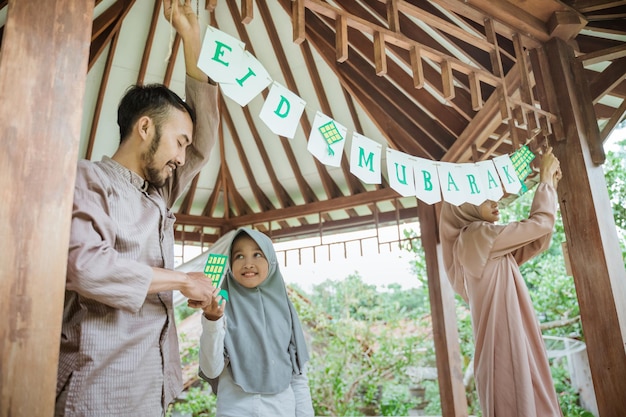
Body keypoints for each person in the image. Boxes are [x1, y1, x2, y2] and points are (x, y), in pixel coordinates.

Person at [55, 1, 220, 416]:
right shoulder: (87, 179)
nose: (184, 157)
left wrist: (191, 35)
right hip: (96, 391)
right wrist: (182, 281)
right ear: (145, 127)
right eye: (178, 142)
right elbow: (86, 267)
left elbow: (203, 140)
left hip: (151, 389)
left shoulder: (158, 192)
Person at [439, 146, 563, 417]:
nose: (494, 200)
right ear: (464, 205)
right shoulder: (474, 236)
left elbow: (538, 240)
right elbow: (539, 225)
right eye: (483, 196)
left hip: (505, 336)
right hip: (506, 338)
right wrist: (543, 181)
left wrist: (549, 187)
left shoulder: (478, 245)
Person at [195, 227, 315, 417]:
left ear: (271, 260)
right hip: (234, 410)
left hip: (282, 410)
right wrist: (212, 321)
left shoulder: (286, 312)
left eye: (257, 254)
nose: (248, 263)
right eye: (239, 256)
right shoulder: (219, 306)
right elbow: (211, 370)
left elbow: (298, 378)